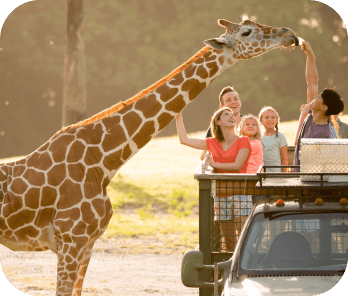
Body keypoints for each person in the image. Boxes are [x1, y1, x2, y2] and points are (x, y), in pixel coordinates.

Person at [176, 107, 251, 252]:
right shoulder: (212, 142)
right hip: (221, 194)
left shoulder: (243, 141)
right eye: (226, 114)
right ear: (217, 121)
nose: (231, 116)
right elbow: (184, 140)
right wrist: (178, 116)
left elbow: (237, 166)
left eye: (232, 114)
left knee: (243, 235)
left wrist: (214, 164)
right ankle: (231, 268)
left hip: (240, 192)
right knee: (229, 240)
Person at [293, 41, 344, 171]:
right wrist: (310, 56)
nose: (315, 96)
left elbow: (316, 170)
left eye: (319, 97)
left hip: (310, 185)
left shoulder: (322, 134)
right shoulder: (312, 116)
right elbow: (312, 82)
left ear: (323, 107)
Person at [200, 86, 243, 160]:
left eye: (235, 99)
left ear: (239, 102)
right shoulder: (215, 129)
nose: (233, 102)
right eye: (228, 100)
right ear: (222, 107)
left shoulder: (251, 124)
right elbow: (202, 156)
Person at [259, 106, 288, 173]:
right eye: (266, 117)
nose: (270, 119)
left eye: (273, 117)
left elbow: (284, 159)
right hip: (263, 175)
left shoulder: (280, 136)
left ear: (277, 120)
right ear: (261, 120)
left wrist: (284, 176)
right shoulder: (259, 137)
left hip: (277, 174)